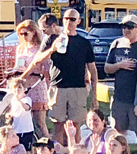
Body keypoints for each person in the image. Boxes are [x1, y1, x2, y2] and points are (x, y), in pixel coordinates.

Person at [35, 9, 98, 146]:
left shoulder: (84, 43)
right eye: (66, 19)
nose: (68, 22)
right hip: (58, 88)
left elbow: (92, 69)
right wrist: (52, 49)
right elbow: (37, 60)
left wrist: (94, 95)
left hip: (78, 88)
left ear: (78, 22)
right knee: (58, 126)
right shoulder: (52, 39)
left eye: (72, 19)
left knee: (75, 126)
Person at [105, 14, 137, 140]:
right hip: (119, 96)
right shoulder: (116, 44)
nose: (126, 30)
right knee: (118, 132)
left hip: (136, 98)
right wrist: (119, 65)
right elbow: (107, 68)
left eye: (130, 27)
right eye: (124, 26)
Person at [14, 19, 51, 138]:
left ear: (33, 33)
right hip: (23, 85)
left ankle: (46, 145)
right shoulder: (20, 48)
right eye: (21, 34)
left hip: (37, 85)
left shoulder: (40, 48)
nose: (23, 36)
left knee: (39, 122)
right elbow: (17, 64)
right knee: (23, 119)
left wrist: (31, 70)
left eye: (26, 33)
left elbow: (46, 68)